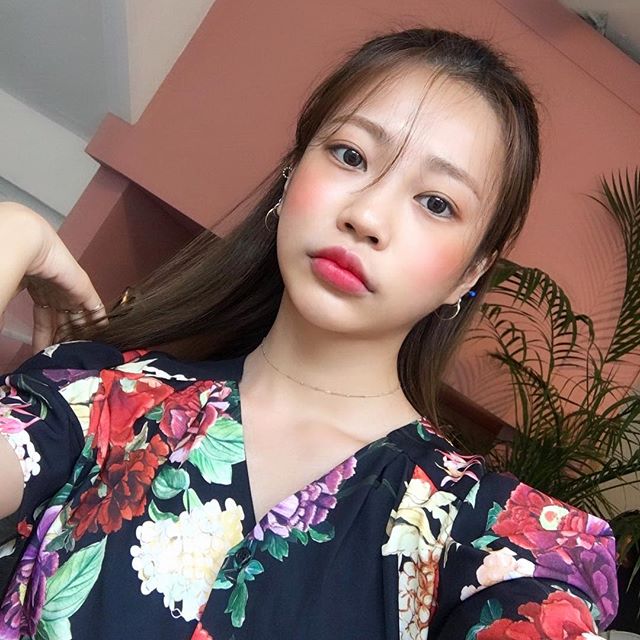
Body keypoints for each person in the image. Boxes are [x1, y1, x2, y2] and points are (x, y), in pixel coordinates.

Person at [0, 27, 619, 640]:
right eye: (350, 156)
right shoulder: (101, 401)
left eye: (436, 203)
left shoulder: (496, 545)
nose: (366, 215)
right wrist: (15, 230)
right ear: (292, 174)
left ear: (470, 273)